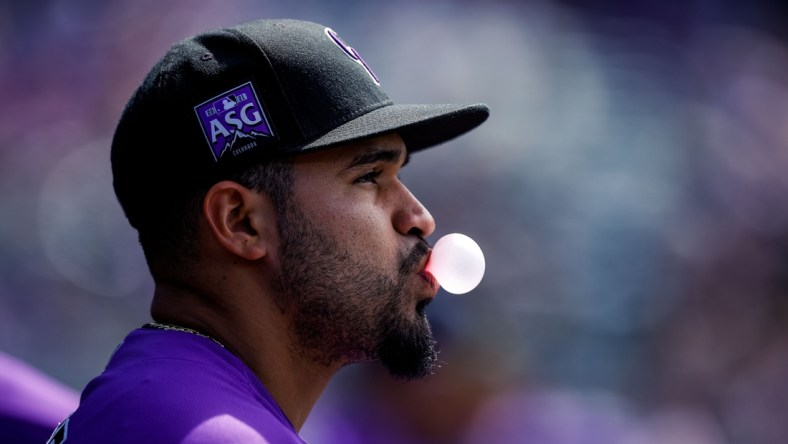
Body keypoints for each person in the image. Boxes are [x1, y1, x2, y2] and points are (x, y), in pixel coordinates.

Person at [48, 17, 489, 443]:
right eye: (369, 176)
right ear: (241, 222)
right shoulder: (209, 433)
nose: (419, 218)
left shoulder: (165, 400)